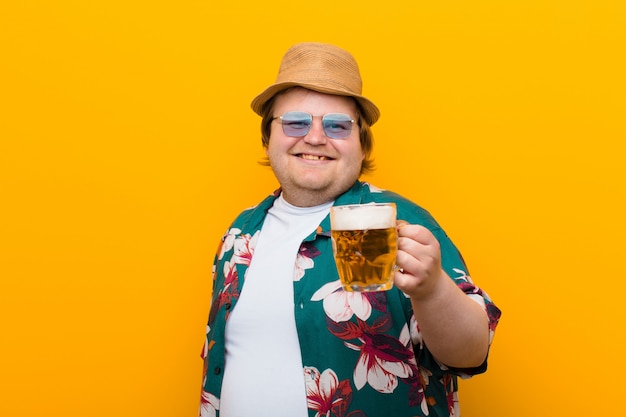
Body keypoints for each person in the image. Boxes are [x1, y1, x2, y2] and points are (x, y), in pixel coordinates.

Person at [199, 42, 501, 417]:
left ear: (361, 145)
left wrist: (433, 288)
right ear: (268, 136)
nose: (314, 137)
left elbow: (470, 354)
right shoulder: (241, 233)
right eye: (295, 122)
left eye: (337, 126)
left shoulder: (398, 221)